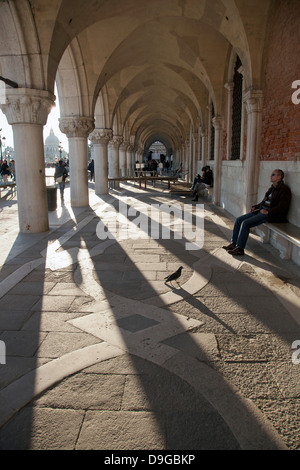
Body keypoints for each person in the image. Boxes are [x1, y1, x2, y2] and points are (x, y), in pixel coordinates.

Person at [223, 169, 291, 256]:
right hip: (261, 211)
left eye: (273, 174)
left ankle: (240, 249)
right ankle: (233, 243)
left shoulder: (284, 189)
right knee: (239, 220)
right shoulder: (272, 188)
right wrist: (256, 206)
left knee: (245, 223)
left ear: (279, 177)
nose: (271, 176)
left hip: (271, 215)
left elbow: (282, 206)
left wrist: (268, 211)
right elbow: (264, 202)